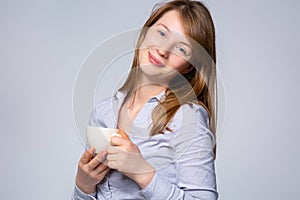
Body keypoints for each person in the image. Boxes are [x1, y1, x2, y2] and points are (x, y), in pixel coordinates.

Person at [72, 0, 218, 199]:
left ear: (188, 67)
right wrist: (83, 185)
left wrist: (143, 173)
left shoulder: (187, 117)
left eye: (181, 49)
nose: (163, 50)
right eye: (161, 33)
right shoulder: (103, 113)